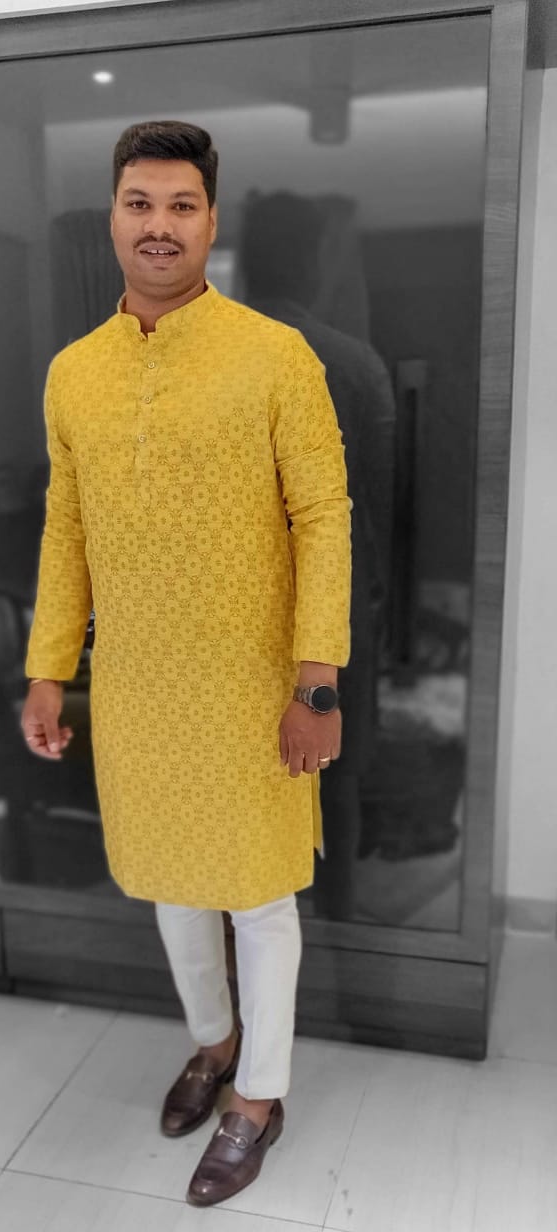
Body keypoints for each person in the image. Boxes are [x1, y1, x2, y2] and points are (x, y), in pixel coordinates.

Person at [21, 121, 351, 1208]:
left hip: (255, 684)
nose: (158, 225)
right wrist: (49, 667)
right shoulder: (75, 373)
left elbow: (323, 518)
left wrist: (316, 681)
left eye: (180, 205)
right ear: (112, 217)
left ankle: (258, 1096)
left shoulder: (275, 355)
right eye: (139, 203)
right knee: (170, 879)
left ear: (210, 220)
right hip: (135, 684)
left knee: (257, 894)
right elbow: (66, 527)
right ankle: (213, 1042)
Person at [238, 190, 395, 919]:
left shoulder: (200, 361)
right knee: (337, 775)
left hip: (229, 611)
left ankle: (251, 929)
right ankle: (338, 924)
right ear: (314, 264)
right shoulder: (356, 364)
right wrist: (376, 606)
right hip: (334, 606)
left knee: (239, 780)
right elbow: (382, 506)